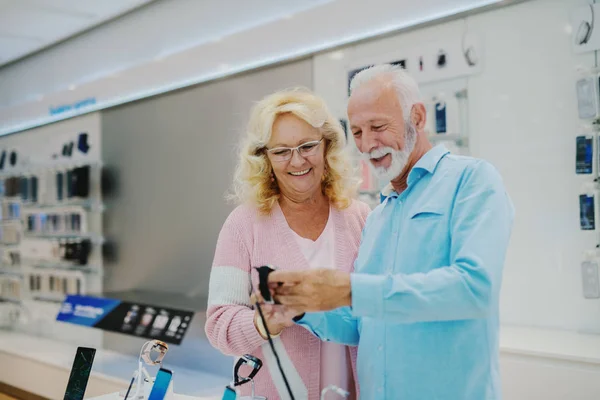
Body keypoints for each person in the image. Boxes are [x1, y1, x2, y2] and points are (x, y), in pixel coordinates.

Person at [267, 64, 515, 399]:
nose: (368, 144)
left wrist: (351, 290)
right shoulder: (379, 217)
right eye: (356, 132)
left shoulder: (472, 181)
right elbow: (359, 326)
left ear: (417, 117)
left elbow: (475, 289)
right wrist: (298, 306)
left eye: (378, 127)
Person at [204, 88, 371, 399]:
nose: (297, 161)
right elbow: (218, 326)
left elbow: (376, 309)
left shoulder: (360, 218)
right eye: (281, 151)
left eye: (307, 146)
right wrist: (265, 321)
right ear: (264, 158)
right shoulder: (243, 225)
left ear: (327, 147)